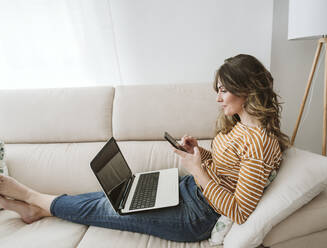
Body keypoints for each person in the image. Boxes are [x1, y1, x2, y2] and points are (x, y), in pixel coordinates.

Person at [0, 54, 289, 242]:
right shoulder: (241, 125)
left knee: (106, 206)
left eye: (223, 90)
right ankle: (39, 210)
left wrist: (198, 170)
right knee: (115, 196)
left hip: (198, 216)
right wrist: (200, 154)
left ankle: (30, 196)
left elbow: (239, 211)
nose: (217, 98)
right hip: (191, 190)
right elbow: (230, 168)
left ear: (247, 90)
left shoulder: (259, 142)